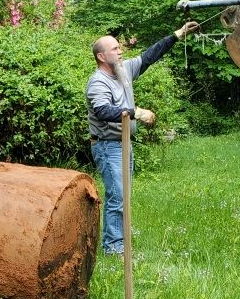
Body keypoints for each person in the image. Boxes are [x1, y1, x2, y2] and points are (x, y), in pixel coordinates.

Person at [85, 21, 199, 255]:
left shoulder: (123, 71)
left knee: (123, 195)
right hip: (107, 146)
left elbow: (149, 56)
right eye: (115, 49)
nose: (120, 51)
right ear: (101, 56)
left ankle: (120, 242)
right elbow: (102, 112)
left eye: (119, 47)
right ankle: (113, 248)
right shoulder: (98, 82)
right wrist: (135, 112)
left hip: (123, 143)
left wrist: (177, 34)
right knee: (117, 195)